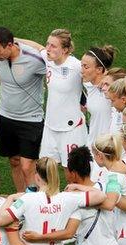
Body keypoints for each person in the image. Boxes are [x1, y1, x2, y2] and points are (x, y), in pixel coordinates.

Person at [0, 27, 46, 192]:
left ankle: (36, 202)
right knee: (14, 161)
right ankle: (21, 198)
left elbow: (55, 69)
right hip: (5, 116)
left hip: (30, 120)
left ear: (10, 45)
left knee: (27, 166)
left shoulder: (35, 59)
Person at [37, 29, 88, 181]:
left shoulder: (76, 66)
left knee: (72, 172)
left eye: (53, 46)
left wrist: (84, 101)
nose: (48, 48)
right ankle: (48, 202)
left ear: (65, 49)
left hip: (71, 129)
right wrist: (13, 40)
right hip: (50, 126)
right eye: (48, 44)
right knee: (44, 168)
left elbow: (95, 80)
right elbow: (36, 47)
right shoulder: (48, 59)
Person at [80, 45, 116, 148]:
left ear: (99, 70)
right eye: (81, 65)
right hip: (93, 144)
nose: (81, 70)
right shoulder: (88, 84)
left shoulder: (114, 88)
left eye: (86, 67)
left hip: (108, 147)